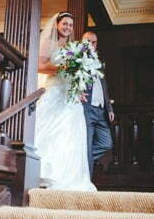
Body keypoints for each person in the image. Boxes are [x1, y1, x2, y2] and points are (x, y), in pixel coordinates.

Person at [33, 12, 96, 191]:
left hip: (70, 94)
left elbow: (76, 72)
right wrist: (62, 67)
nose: (68, 27)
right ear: (57, 25)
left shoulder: (72, 46)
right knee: (50, 129)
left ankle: (68, 175)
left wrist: (79, 86)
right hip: (54, 90)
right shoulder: (48, 43)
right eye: (65, 24)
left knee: (71, 133)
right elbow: (39, 67)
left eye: (70, 25)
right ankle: (45, 172)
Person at [80, 30, 114, 175]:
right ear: (82, 43)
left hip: (101, 111)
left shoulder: (99, 62)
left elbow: (103, 87)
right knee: (87, 145)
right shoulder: (77, 59)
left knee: (107, 144)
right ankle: (87, 181)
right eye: (88, 41)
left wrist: (110, 108)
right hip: (87, 109)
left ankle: (81, 158)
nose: (91, 44)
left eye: (94, 42)